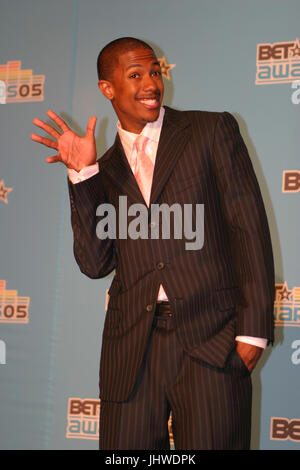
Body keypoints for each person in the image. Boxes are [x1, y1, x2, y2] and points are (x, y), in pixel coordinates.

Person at [31, 37, 275, 450]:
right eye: (135, 75)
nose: (151, 83)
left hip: (212, 340)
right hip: (132, 351)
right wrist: (82, 176)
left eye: (155, 71)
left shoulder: (210, 130)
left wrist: (252, 334)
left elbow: (248, 230)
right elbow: (95, 263)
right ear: (107, 88)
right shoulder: (103, 168)